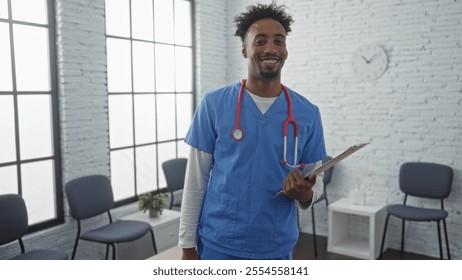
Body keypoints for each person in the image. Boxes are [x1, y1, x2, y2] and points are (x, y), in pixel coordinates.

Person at [179, 2, 327, 260]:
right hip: (218, 245)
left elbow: (316, 180)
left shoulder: (308, 113)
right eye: (260, 41)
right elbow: (196, 181)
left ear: (286, 51)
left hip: (276, 246)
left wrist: (306, 194)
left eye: (279, 41)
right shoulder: (213, 105)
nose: (271, 48)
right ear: (245, 50)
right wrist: (187, 246)